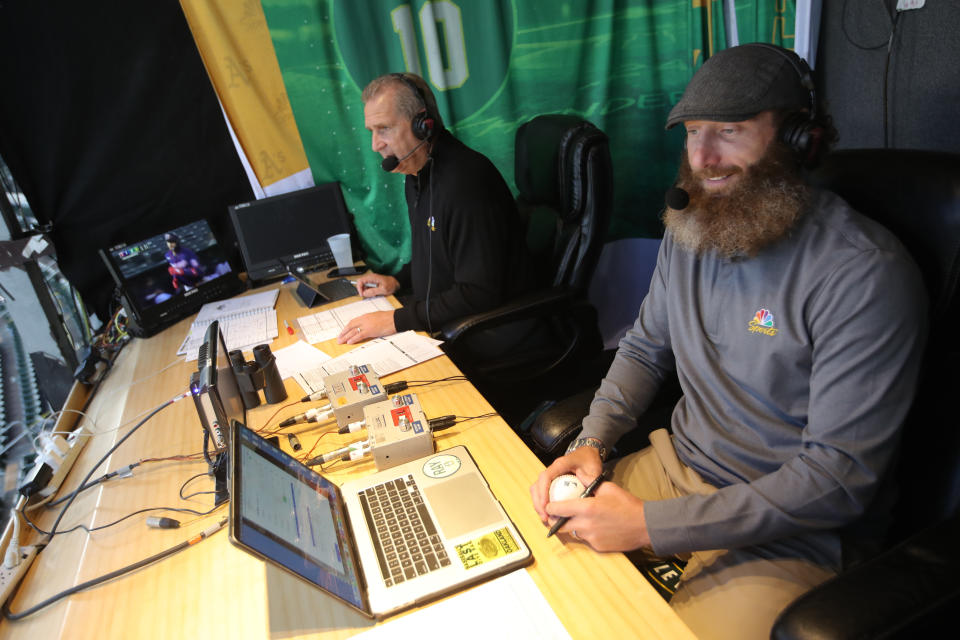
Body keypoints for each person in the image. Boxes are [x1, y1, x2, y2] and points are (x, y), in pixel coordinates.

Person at [530, 44, 927, 640]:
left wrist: (651, 527)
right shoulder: (690, 226)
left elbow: (837, 479)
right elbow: (643, 348)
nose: (704, 157)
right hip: (677, 469)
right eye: (693, 132)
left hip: (787, 526)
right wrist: (594, 441)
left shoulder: (863, 272)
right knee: (543, 581)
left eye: (730, 131)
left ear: (799, 139)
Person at [337, 72, 532, 345]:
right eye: (372, 131)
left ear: (422, 125)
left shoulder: (465, 182)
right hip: (443, 319)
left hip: (485, 332)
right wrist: (397, 280)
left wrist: (395, 321)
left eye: (385, 129)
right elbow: (437, 255)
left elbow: (479, 292)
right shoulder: (417, 174)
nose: (375, 145)